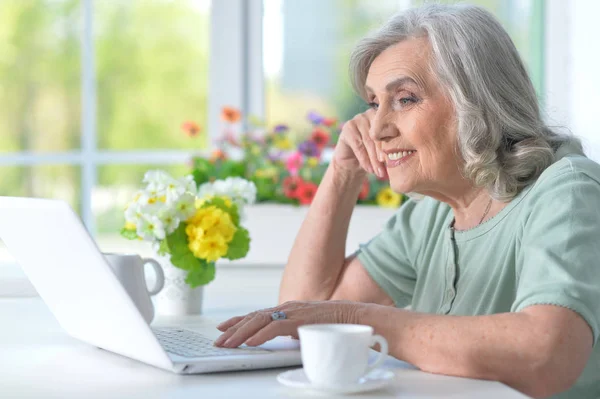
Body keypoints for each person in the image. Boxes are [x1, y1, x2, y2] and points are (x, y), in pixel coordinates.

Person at [214, 4, 600, 398]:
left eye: (405, 99)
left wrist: (356, 317)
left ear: (478, 99)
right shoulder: (431, 213)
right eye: (373, 103)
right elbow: (306, 316)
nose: (377, 128)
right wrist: (343, 173)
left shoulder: (567, 191)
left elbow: (547, 355)